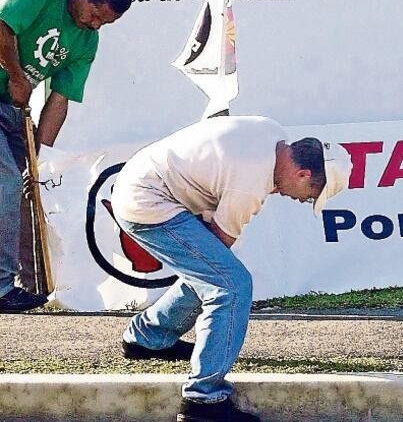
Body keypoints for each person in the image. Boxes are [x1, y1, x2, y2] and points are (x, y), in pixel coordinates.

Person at [110, 116, 350, 422]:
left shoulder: (271, 132)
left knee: (215, 273)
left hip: (144, 181)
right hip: (147, 202)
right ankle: (203, 398)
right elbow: (219, 250)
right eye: (310, 196)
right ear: (303, 174)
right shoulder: (248, 185)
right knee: (231, 285)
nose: (302, 199)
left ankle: (147, 338)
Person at [0, 0, 134, 313]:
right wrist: (17, 76)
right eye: (94, 15)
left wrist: (39, 157)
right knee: (7, 180)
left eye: (104, 24)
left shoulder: (88, 41)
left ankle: (28, 283)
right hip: (7, 93)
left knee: (28, 183)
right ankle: (1, 287)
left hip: (10, 109)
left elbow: (59, 99)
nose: (94, 26)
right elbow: (2, 25)